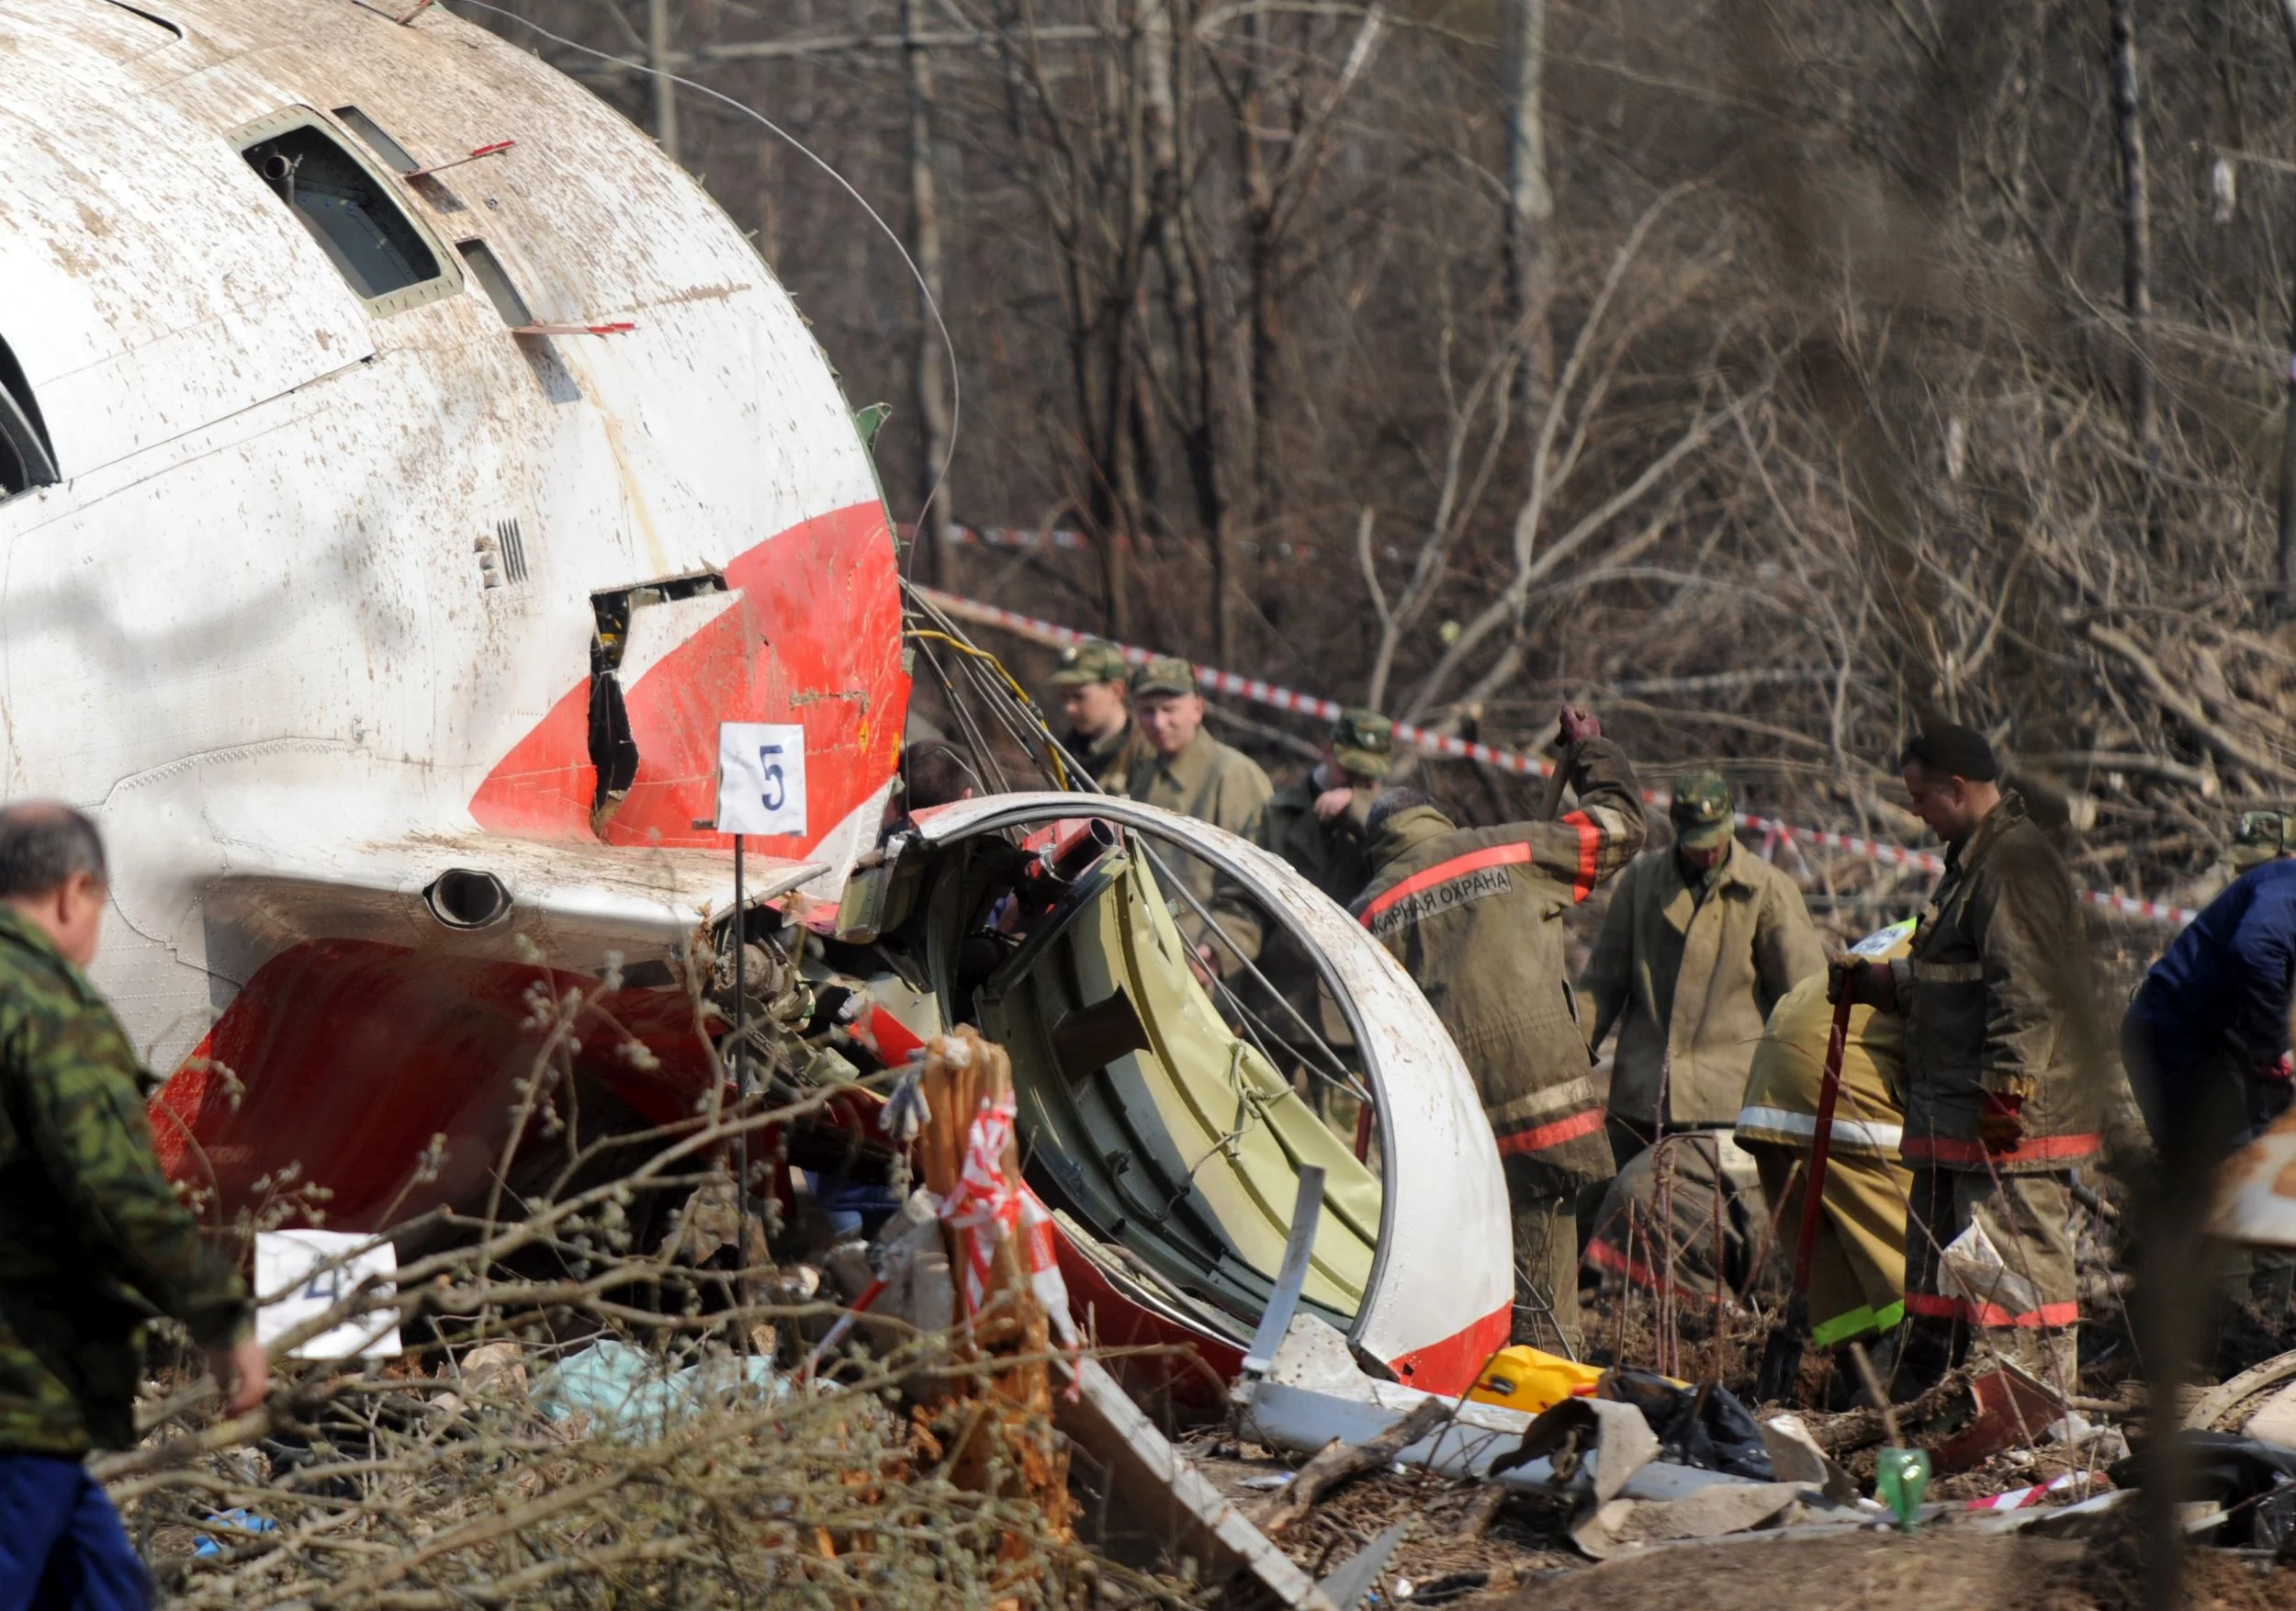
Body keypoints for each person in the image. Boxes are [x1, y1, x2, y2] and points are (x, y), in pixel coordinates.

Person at [0, 803, 265, 1606]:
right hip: (23, 1395)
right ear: (75, 892)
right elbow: (116, 1195)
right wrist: (220, 1315)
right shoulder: (47, 1013)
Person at [1352, 706, 1646, 1354]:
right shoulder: (1513, 851)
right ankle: (1549, 1423)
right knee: (1542, 1314)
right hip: (1551, 1122)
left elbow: (1361, 1047)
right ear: (1438, 821)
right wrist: (1592, 751)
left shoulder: (1366, 915)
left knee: (1461, 1315)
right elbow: (1623, 825)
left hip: (1450, 1144)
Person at [1831, 724, 2099, 1391]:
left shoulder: (2014, 868)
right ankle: (1939, 1407)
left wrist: (2005, 1097)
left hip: (2003, 1122)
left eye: (1922, 797)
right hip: (1952, 1114)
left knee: (2013, 1271)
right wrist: (1885, 986)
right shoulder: (1972, 867)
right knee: (1941, 1277)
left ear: (1957, 788)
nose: (1915, 812)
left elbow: (2027, 992)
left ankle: (2031, 1412)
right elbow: (1963, 980)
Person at [1580, 768, 1825, 1167]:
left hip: (1731, 1101)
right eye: (1698, 844)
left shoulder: (1767, 890)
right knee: (1607, 1210)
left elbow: (1806, 1001)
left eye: (1717, 839)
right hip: (1644, 1096)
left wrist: (1812, 1091)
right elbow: (1601, 986)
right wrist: (1563, 1060)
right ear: (1677, 831)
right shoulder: (1641, 882)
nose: (1709, 853)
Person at [1735, 919, 1918, 1352]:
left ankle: (1851, 1367)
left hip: (1768, 1092)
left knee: (1835, 1273)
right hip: (1835, 1080)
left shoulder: (1912, 929)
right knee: (1912, 1252)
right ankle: (1913, 1364)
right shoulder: (1968, 937)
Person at [1255, 709, 1392, 1100]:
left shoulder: (1388, 819)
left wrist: (1357, 806)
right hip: (1278, 1001)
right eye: (1350, 770)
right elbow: (1246, 899)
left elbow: (1406, 851)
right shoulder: (1281, 811)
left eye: (1370, 776)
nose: (1360, 782)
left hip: (1348, 1013)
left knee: (1342, 1146)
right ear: (1327, 751)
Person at [1124, 656, 1275, 971]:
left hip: (1217, 973)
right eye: (1148, 711)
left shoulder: (1233, 776)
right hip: (1158, 963)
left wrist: (1218, 951)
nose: (1159, 722)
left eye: (1169, 709)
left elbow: (1256, 885)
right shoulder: (1144, 780)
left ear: (1197, 709)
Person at [1050, 638, 1151, 794]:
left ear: (1116, 691)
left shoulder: (1146, 751)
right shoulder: (1069, 750)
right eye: (1064, 697)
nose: (1069, 708)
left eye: (1079, 697)